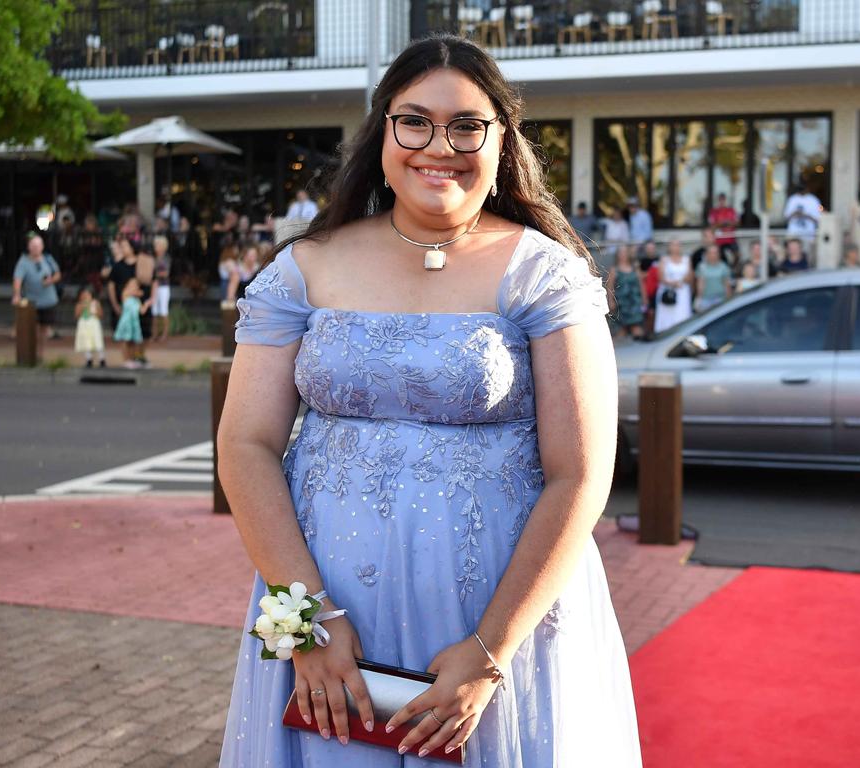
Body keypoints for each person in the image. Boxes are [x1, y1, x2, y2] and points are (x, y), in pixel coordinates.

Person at [217, 34, 642, 768]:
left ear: (501, 138)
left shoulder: (545, 276)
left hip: (495, 627)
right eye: (414, 120)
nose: (437, 145)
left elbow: (581, 472)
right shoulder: (305, 268)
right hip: (327, 617)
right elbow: (246, 446)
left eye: (466, 124)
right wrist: (308, 624)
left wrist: (490, 651)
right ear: (382, 130)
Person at [12, 235, 61, 358]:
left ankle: (41, 354)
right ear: (29, 247)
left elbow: (58, 274)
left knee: (44, 329)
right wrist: (17, 295)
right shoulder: (23, 262)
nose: (35, 248)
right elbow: (17, 280)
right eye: (33, 246)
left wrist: (51, 280)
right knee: (31, 329)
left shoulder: (48, 259)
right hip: (31, 302)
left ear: (42, 247)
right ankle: (30, 353)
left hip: (48, 300)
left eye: (38, 246)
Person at [605, 239, 646, 339]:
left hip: (634, 302)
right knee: (621, 329)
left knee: (636, 327)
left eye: (624, 252)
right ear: (617, 255)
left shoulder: (635, 268)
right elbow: (610, 287)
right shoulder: (614, 270)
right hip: (621, 303)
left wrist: (645, 299)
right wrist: (611, 302)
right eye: (620, 252)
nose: (622, 255)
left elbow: (641, 285)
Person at [654, 238, 692, 333]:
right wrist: (673, 283)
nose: (676, 247)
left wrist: (681, 282)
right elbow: (661, 277)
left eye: (678, 245)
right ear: (669, 247)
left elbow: (690, 276)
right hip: (668, 291)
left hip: (682, 292)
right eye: (673, 245)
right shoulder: (664, 259)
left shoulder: (686, 259)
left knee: (681, 315)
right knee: (667, 317)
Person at [113, 278, 148, 368]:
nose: (134, 286)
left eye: (136, 285)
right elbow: (134, 293)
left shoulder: (137, 299)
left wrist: (147, 304)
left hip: (134, 322)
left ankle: (132, 359)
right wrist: (138, 292)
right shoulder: (125, 293)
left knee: (133, 341)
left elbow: (142, 311)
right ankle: (126, 360)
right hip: (126, 321)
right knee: (126, 340)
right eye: (132, 284)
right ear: (127, 285)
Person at [694, 243, 732, 312]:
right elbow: (700, 284)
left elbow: (727, 285)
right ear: (706, 254)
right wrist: (698, 299)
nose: (713, 255)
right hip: (706, 299)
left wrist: (729, 300)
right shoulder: (701, 267)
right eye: (711, 253)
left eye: (715, 252)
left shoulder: (723, 267)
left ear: (719, 254)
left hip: (720, 299)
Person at [74, 287, 106, 368]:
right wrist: (83, 307)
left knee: (97, 340)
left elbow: (101, 315)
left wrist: (93, 312)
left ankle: (102, 358)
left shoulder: (96, 303)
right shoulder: (79, 304)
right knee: (86, 341)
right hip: (84, 325)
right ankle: (89, 359)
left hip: (94, 324)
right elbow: (77, 315)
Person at [707, 193, 739, 266]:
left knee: (737, 255)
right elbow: (711, 226)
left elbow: (737, 223)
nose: (722, 202)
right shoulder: (713, 212)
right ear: (718, 201)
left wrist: (728, 223)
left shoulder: (731, 210)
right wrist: (721, 224)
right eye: (720, 200)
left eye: (723, 200)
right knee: (720, 257)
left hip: (731, 238)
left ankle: (732, 269)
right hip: (719, 239)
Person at [151, 235, 172, 342]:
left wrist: (154, 275)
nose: (155, 246)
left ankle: (164, 334)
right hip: (155, 287)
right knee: (154, 310)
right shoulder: (153, 258)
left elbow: (166, 273)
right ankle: (155, 334)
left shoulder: (166, 258)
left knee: (163, 310)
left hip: (163, 287)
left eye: (157, 244)